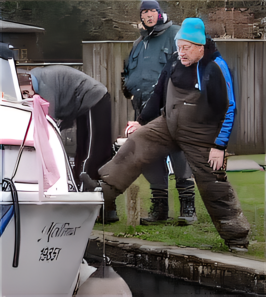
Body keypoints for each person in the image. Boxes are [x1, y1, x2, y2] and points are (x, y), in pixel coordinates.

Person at [84, 18, 250, 251]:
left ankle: (237, 237)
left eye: (186, 48)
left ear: (200, 46)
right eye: (178, 46)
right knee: (137, 142)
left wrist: (220, 146)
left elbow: (229, 108)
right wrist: (141, 122)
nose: (180, 52)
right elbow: (159, 94)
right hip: (168, 124)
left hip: (201, 135)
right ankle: (102, 191)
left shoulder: (216, 67)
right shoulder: (174, 62)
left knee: (213, 183)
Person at [123, 0, 189, 224]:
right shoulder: (139, 43)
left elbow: (186, 66)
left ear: (160, 14)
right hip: (142, 110)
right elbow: (127, 72)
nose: (148, 15)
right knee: (150, 157)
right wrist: (128, 88)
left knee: (177, 153)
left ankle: (187, 207)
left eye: (152, 11)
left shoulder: (175, 34)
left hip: (170, 108)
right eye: (144, 12)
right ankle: (159, 209)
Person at [18, 66, 113, 203]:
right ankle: (81, 194)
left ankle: (101, 200)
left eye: (27, 92)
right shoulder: (35, 79)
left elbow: (50, 120)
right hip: (79, 105)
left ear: (31, 83)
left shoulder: (45, 86)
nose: (28, 96)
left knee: (95, 152)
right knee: (81, 151)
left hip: (95, 98)